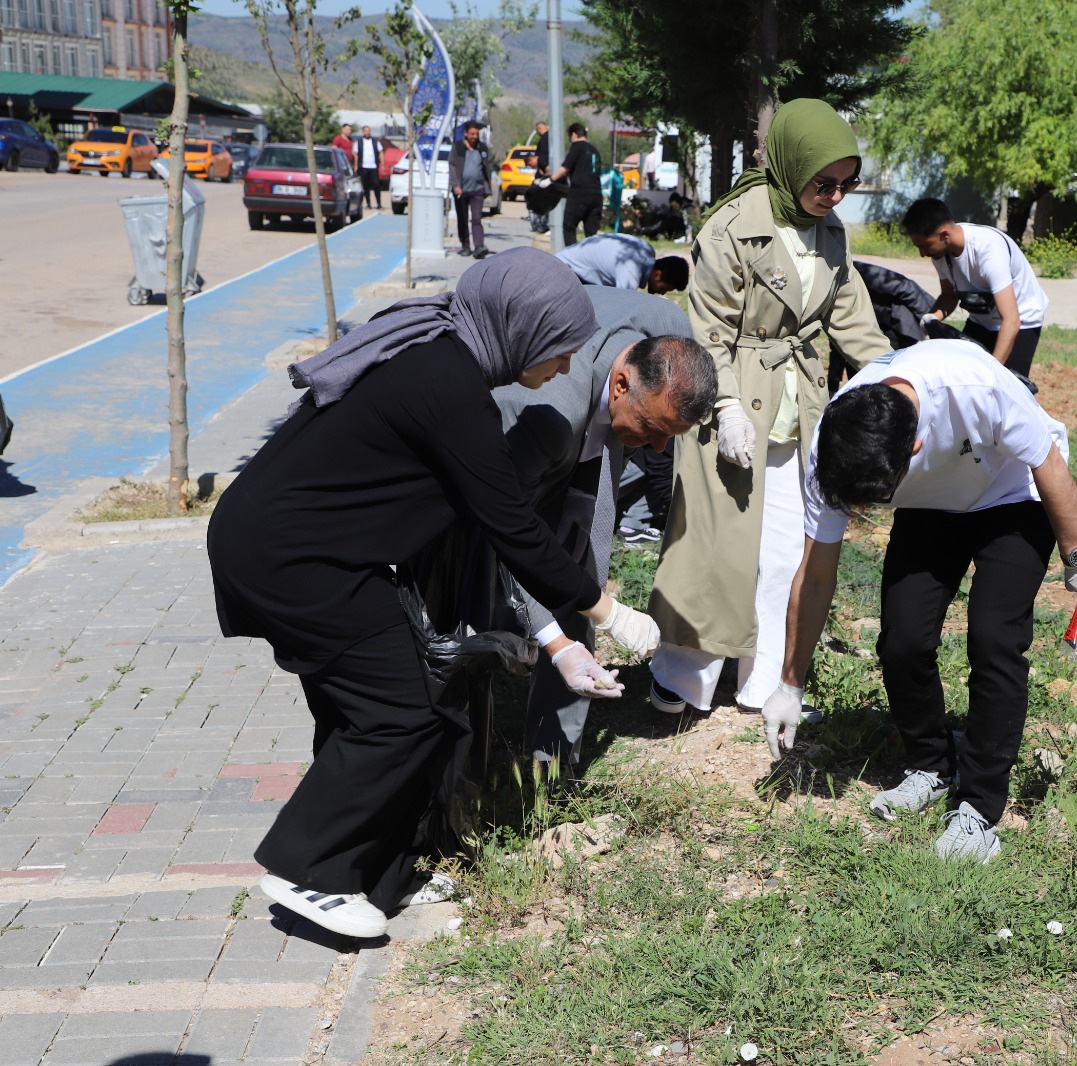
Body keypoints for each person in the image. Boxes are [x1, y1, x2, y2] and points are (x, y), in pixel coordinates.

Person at [207, 249, 659, 940]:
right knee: (405, 712)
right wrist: (605, 610)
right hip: (293, 560)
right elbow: (511, 525)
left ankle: (379, 877)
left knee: (366, 711)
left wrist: (561, 638)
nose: (568, 365)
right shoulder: (448, 387)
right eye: (560, 348)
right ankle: (308, 870)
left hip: (298, 548)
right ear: (521, 330)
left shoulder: (441, 359)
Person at [762, 338, 1077, 862]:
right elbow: (816, 577)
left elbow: (1048, 462)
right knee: (903, 639)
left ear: (914, 450)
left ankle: (978, 808)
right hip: (931, 506)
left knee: (995, 639)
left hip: (1012, 493)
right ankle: (930, 765)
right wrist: (790, 683)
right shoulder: (838, 445)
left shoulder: (976, 388)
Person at [646, 97, 889, 718]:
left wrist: (900, 380)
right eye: (824, 183)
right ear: (790, 164)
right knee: (715, 546)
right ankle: (681, 678)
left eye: (847, 184)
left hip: (798, 405)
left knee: (785, 551)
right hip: (727, 400)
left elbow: (854, 321)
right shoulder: (731, 227)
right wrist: (726, 407)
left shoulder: (830, 231)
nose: (835, 196)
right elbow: (710, 330)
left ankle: (764, 683)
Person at [492, 287, 716, 762]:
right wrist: (556, 640)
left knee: (583, 567)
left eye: (670, 437)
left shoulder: (668, 337)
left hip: (587, 434)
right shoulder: (546, 412)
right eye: (652, 429)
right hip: (502, 469)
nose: (658, 449)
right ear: (620, 386)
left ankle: (553, 760)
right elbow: (506, 532)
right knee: (495, 592)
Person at [901, 198, 1049, 378]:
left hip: (1022, 319)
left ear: (945, 234)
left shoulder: (988, 251)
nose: (922, 253)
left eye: (924, 246)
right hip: (981, 320)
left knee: (1007, 385)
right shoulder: (940, 253)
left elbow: (1012, 320)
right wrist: (931, 318)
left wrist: (992, 371)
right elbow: (949, 296)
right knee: (963, 377)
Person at [827, 259, 938, 392]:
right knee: (859, 367)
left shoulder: (856, 271)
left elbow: (905, 287)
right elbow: (839, 342)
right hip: (880, 323)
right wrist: (832, 383)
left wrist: (929, 319)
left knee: (886, 369)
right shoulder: (833, 283)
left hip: (900, 325)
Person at [556, 232, 689, 293]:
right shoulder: (631, 271)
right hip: (563, 272)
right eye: (663, 289)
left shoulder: (647, 249)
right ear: (657, 274)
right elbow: (622, 309)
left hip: (568, 262)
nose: (662, 293)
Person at [540, 122, 603, 245]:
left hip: (580, 193)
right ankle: (592, 255)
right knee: (591, 233)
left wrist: (550, 180)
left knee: (569, 226)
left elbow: (565, 168)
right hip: (596, 194)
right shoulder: (595, 150)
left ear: (574, 134)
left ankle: (572, 255)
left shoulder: (577, 146)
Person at [450, 121, 493, 258]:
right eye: (472, 134)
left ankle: (479, 246)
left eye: (476, 134)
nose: (474, 136)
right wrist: (456, 185)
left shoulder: (482, 148)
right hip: (461, 190)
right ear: (466, 133)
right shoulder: (458, 147)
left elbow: (488, 166)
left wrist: (487, 187)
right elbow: (452, 166)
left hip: (477, 189)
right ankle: (465, 245)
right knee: (462, 219)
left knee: (476, 218)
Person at [528, 120, 551, 235]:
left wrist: (543, 169)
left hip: (545, 173)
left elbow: (543, 156)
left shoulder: (545, 139)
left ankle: (542, 223)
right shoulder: (549, 139)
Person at [353, 125, 383, 210]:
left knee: (376, 184)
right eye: (365, 131)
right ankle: (368, 203)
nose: (367, 132)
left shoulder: (375, 141)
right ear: (363, 132)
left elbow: (381, 152)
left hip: (373, 167)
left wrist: (382, 164)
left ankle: (379, 203)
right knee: (365, 186)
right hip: (363, 167)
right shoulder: (358, 142)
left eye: (368, 131)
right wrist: (356, 165)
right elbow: (356, 154)